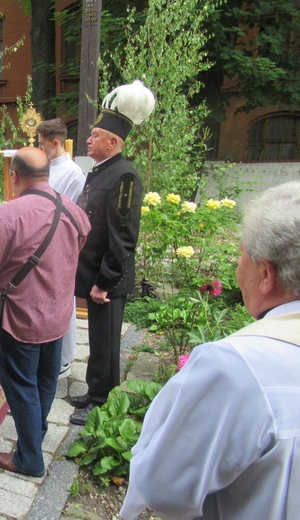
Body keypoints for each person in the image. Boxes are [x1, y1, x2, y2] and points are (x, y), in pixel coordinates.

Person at [121, 181, 300, 520]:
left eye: (241, 255)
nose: (237, 268)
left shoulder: (235, 367)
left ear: (265, 274)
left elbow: (163, 487)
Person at [0, 147, 90, 477]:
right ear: (47, 175)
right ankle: (36, 435)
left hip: (19, 316)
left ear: (14, 176)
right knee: (45, 380)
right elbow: (79, 244)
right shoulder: (73, 210)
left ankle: (29, 458)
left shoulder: (10, 214)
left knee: (21, 384)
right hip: (58, 312)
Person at [69, 80, 155, 426]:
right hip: (94, 272)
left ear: (113, 142)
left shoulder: (125, 176)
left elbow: (123, 237)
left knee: (106, 340)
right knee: (97, 337)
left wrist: (104, 281)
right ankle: (93, 390)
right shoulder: (103, 170)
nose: (88, 140)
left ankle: (102, 401)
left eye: (94, 135)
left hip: (108, 278)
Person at [37, 118, 86, 378]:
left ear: (55, 143)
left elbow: (61, 208)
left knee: (63, 298)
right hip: (43, 238)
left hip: (59, 239)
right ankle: (49, 350)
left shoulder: (72, 172)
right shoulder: (49, 167)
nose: (40, 149)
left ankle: (65, 358)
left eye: (42, 145)